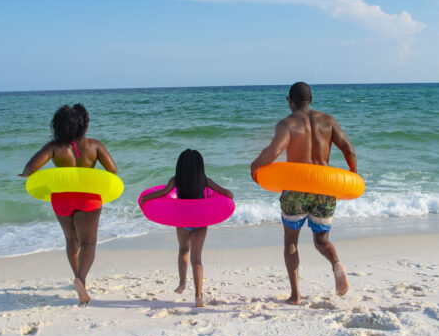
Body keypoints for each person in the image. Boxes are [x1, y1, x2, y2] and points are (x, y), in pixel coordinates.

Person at [250, 81, 357, 304]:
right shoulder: (328, 121)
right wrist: (351, 177)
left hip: (296, 189)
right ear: (311, 100)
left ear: (289, 100)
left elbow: (274, 151)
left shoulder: (286, 123)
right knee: (321, 240)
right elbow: (348, 149)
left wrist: (255, 166)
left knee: (291, 242)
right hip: (324, 188)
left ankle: (296, 295)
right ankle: (336, 262)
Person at [21, 104, 118, 305]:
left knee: (71, 240)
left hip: (62, 199)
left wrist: (28, 175)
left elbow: (30, 168)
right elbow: (113, 170)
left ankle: (78, 278)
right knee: (88, 242)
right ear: (84, 125)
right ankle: (80, 280)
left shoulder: (54, 147)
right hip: (88, 197)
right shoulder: (94, 145)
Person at [139, 149, 234, 308]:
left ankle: (182, 283)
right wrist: (227, 193)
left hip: (183, 220)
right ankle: (198, 296)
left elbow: (163, 193)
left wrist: (144, 199)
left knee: (183, 250)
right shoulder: (205, 180)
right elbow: (228, 194)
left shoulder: (175, 180)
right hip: (200, 220)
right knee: (197, 258)